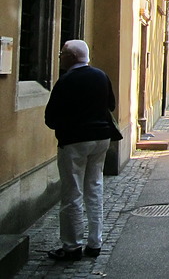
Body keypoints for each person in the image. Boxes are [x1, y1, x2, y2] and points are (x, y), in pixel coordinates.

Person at [44, 40, 122, 261]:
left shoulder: (66, 80)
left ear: (71, 57)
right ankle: (95, 243)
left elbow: (50, 118)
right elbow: (111, 105)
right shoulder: (101, 75)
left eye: (62, 54)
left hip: (75, 141)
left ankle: (71, 246)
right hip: (101, 139)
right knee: (95, 188)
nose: (60, 57)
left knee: (72, 192)